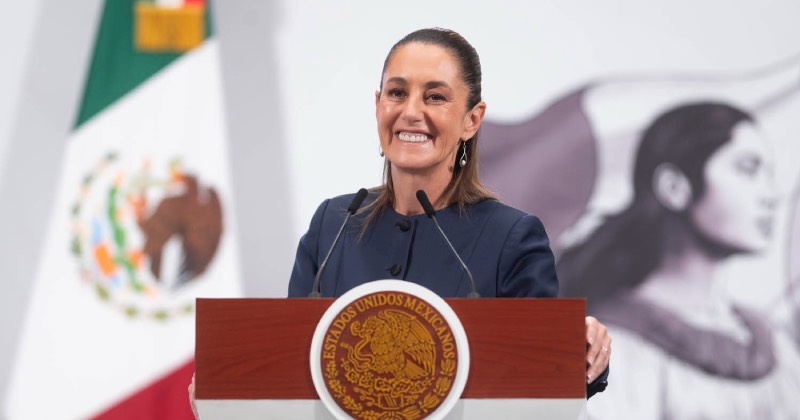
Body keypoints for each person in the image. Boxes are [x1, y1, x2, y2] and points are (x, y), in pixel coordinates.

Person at [189, 27, 611, 417]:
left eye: (435, 97)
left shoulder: (511, 237)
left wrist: (583, 352)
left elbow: (542, 378)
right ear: (378, 106)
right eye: (397, 92)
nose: (411, 112)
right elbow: (293, 372)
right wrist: (229, 395)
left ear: (472, 119)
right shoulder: (332, 226)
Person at [558, 102, 800, 418]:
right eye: (748, 169)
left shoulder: (775, 345)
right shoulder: (610, 351)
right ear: (674, 187)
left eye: (769, 174)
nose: (771, 195)